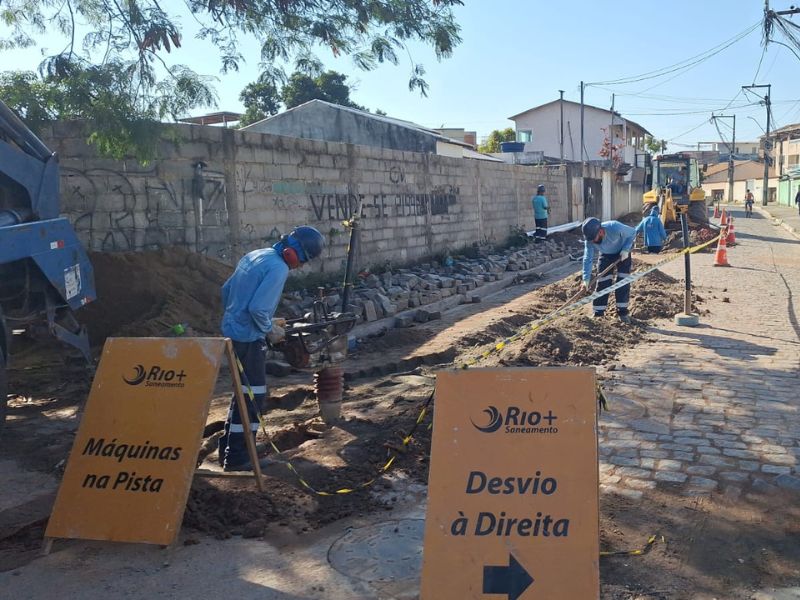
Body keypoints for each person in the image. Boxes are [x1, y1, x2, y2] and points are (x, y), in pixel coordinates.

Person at [218, 226, 325, 471]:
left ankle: (227, 448)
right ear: (296, 254)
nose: (299, 266)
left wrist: (238, 316)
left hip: (232, 333)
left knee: (243, 392)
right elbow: (257, 309)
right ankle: (238, 458)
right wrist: (269, 329)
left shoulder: (257, 255)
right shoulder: (278, 269)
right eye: (302, 261)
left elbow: (226, 292)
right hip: (248, 338)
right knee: (254, 396)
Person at [581, 217, 637, 324]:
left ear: (601, 232)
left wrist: (626, 249)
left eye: (594, 238)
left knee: (622, 282)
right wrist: (586, 279)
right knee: (603, 282)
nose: (592, 241)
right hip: (606, 254)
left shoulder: (614, 226)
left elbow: (632, 233)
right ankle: (598, 313)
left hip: (622, 253)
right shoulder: (590, 239)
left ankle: (623, 313)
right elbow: (587, 258)